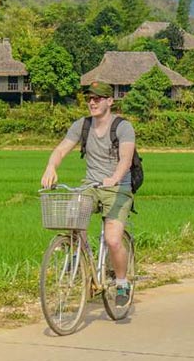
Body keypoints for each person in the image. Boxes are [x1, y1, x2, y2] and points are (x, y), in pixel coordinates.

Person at [40, 81, 136, 306]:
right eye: (89, 99)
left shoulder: (122, 127)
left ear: (109, 101)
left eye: (98, 98)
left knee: (113, 239)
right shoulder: (82, 125)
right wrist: (51, 167)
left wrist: (114, 177)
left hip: (118, 187)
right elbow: (62, 149)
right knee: (73, 215)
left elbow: (126, 160)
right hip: (91, 185)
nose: (92, 102)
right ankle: (80, 256)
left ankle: (122, 281)